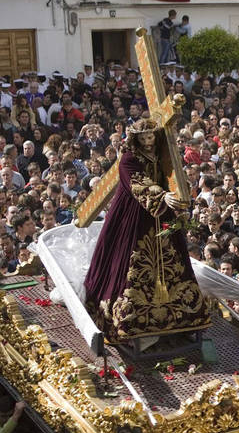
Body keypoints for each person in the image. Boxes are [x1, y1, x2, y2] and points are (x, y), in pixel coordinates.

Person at [83, 118, 211, 344]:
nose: (147, 142)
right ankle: (131, 317)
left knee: (174, 260)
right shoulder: (129, 158)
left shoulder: (163, 154)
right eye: (143, 138)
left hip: (163, 212)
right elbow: (137, 182)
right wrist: (162, 197)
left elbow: (171, 176)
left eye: (150, 137)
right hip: (135, 213)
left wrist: (177, 192)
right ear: (135, 139)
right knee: (130, 261)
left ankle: (182, 315)